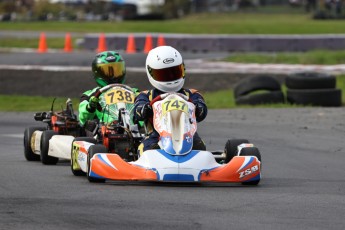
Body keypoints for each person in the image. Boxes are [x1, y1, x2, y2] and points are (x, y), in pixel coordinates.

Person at [134, 46, 208, 153]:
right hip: (156, 136)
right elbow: (137, 111)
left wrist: (199, 107)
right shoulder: (147, 96)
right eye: (164, 74)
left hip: (188, 136)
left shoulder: (191, 94)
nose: (171, 78)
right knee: (146, 149)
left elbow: (202, 111)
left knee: (199, 146)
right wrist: (144, 108)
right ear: (151, 73)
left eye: (175, 72)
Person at [78, 50, 138, 131]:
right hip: (103, 133)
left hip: (135, 128)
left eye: (117, 70)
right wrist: (90, 107)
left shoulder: (133, 92)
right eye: (108, 73)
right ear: (98, 73)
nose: (114, 76)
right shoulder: (90, 95)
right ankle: (113, 125)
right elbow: (83, 118)